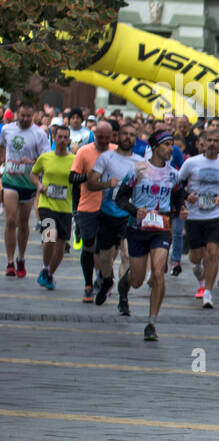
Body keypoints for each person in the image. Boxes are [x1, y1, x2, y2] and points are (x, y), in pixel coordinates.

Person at [113, 129, 184, 340]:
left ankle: (151, 323)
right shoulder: (138, 170)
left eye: (172, 144)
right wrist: (136, 210)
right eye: (166, 144)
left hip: (161, 229)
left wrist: (181, 209)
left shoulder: (174, 174)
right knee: (137, 281)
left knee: (159, 273)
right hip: (137, 229)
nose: (171, 148)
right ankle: (124, 285)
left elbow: (178, 197)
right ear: (155, 147)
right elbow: (120, 198)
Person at [87, 122, 141, 307]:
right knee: (105, 256)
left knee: (127, 254)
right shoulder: (106, 158)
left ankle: (123, 294)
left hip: (129, 214)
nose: (128, 137)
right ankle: (107, 280)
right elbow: (91, 183)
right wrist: (107, 184)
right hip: (108, 213)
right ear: (118, 137)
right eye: (124, 134)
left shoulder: (140, 163)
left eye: (132, 134)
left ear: (136, 138)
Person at [177, 126, 219, 308]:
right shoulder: (191, 163)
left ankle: (208, 292)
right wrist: (185, 197)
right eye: (209, 141)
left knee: (213, 254)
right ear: (202, 143)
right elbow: (178, 185)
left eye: (216, 141)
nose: (212, 144)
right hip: (195, 215)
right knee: (196, 257)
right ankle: (199, 272)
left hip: (216, 215)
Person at [68, 119, 116, 302]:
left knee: (106, 248)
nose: (103, 140)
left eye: (106, 137)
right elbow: (72, 177)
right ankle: (88, 284)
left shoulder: (116, 151)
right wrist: (87, 177)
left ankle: (102, 278)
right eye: (99, 137)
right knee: (89, 245)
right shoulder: (84, 152)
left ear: (111, 137)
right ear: (94, 135)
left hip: (111, 208)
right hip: (87, 206)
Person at [2, 102, 50, 277]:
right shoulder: (7, 129)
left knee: (23, 223)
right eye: (22, 115)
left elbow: (45, 158)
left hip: (28, 182)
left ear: (34, 116)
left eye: (28, 116)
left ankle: (21, 258)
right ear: (17, 114)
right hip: (10, 179)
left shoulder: (39, 134)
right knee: (10, 220)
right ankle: (9, 262)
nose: (25, 119)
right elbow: (2, 147)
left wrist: (33, 162)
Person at [31, 124, 75, 289]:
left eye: (65, 137)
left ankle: (50, 273)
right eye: (60, 137)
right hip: (46, 204)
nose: (63, 140)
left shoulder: (74, 159)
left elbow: (80, 179)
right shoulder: (45, 157)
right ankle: (44, 267)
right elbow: (33, 174)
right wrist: (39, 185)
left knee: (61, 244)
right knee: (49, 235)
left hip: (65, 206)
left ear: (69, 139)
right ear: (54, 138)